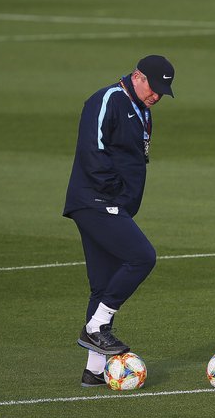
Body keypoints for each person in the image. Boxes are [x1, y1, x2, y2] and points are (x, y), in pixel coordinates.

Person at [62, 55, 175, 387]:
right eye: (154, 88)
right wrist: (113, 193)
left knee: (101, 284)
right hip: (95, 200)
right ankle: (97, 327)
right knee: (142, 256)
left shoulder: (144, 110)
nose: (156, 95)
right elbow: (92, 149)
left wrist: (125, 201)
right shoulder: (107, 99)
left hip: (113, 205)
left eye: (162, 91)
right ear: (137, 76)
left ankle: (94, 371)